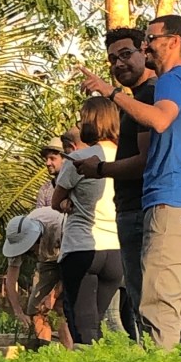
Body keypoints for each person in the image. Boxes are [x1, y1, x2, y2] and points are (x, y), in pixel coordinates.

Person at [79, 15, 181, 358]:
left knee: (156, 303)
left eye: (149, 39)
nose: (145, 45)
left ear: (174, 41)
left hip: (167, 204)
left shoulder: (167, 83)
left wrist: (109, 93)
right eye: (113, 59)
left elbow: (159, 121)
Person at [73, 27, 157, 334]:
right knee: (136, 304)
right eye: (112, 59)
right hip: (128, 212)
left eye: (125, 54)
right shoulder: (134, 103)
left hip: (140, 211)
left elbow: (146, 161)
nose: (118, 64)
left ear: (145, 53)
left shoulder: (148, 98)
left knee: (146, 304)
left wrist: (100, 170)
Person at [51, 96, 123, 344]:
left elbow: (55, 202)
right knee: (97, 324)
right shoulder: (128, 157)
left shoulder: (78, 159)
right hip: (116, 250)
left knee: (84, 328)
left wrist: (67, 203)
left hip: (81, 247)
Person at [3, 207, 73, 349]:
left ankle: (70, 351)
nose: (30, 252)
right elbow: (10, 279)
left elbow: (71, 269)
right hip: (47, 262)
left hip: (70, 257)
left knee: (59, 306)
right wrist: (18, 312)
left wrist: (52, 296)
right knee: (35, 308)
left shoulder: (58, 225)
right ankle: (43, 352)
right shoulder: (17, 235)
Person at [35, 137, 66, 208]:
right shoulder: (45, 189)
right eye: (46, 159)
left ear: (65, 159)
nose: (47, 163)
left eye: (52, 158)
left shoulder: (77, 185)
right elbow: (38, 216)